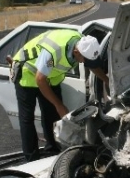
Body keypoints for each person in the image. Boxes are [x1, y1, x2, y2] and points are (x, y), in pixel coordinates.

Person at [10, 29, 106, 161]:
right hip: (28, 74)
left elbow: (92, 65)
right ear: (76, 52)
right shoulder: (53, 53)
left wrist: (107, 81)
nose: (84, 63)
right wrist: (59, 104)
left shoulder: (84, 43)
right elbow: (40, 79)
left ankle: (53, 150)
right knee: (27, 118)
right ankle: (31, 158)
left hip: (49, 78)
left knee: (51, 115)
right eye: (84, 59)